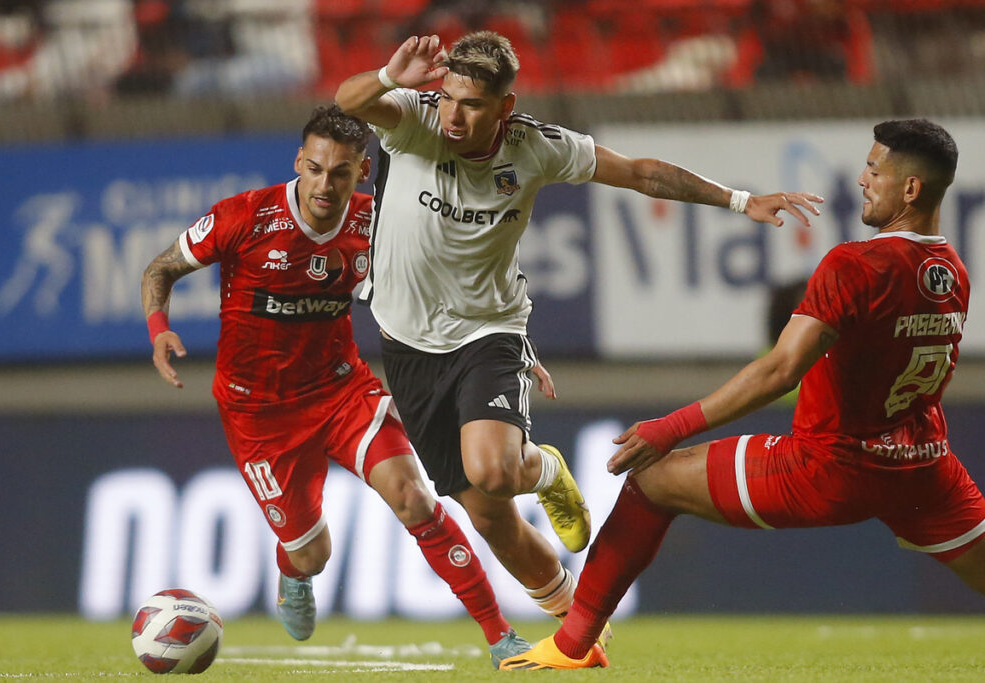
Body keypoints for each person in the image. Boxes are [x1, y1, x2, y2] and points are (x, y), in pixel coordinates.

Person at [334, 30, 823, 634]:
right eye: (450, 97)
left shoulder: (536, 147)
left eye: (473, 104)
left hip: (488, 331)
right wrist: (389, 76)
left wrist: (738, 199)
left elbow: (641, 173)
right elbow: (350, 102)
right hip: (406, 342)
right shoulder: (414, 117)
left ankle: (537, 470)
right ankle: (572, 613)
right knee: (489, 517)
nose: (455, 116)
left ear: (504, 108)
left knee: (491, 471)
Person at [499, 119, 985, 670]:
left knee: (653, 481)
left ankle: (572, 646)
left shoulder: (854, 264)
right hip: (923, 468)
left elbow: (779, 370)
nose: (862, 179)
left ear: (911, 189)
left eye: (875, 170)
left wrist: (670, 427)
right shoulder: (952, 270)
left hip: (830, 467)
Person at [140, 105, 532, 669]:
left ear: (363, 173)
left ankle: (501, 640)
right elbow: (160, 268)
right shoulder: (244, 217)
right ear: (299, 162)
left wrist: (514, 349)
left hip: (342, 392)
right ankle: (293, 567)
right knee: (313, 554)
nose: (326, 184)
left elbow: (462, 282)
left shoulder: (379, 224)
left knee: (415, 498)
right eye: (316, 169)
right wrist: (159, 330)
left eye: (341, 173)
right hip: (259, 414)